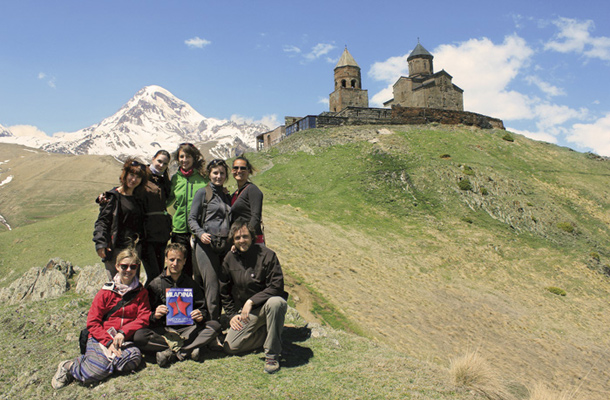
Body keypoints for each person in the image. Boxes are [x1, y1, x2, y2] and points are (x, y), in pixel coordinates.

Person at [51, 248, 151, 389]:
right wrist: (108, 342)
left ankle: (103, 364)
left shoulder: (141, 293)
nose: (128, 270)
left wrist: (123, 333)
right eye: (124, 266)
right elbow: (92, 322)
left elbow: (143, 317)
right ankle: (69, 366)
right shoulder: (105, 293)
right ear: (117, 266)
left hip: (124, 339)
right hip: (101, 337)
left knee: (133, 358)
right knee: (92, 374)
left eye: (133, 267)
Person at [133, 243, 222, 367]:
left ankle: (173, 353)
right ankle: (190, 349)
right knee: (139, 337)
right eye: (171, 260)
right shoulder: (155, 284)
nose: (175, 263)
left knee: (215, 326)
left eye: (179, 260)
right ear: (165, 260)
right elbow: (146, 314)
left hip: (187, 329)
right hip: (165, 331)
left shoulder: (191, 284)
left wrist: (200, 314)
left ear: (185, 261)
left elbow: (202, 308)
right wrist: (155, 315)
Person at [219, 218, 288, 374]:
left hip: (266, 308)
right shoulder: (230, 259)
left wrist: (252, 300)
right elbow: (224, 290)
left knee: (276, 303)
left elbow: (277, 286)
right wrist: (231, 315)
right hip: (246, 314)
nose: (241, 241)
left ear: (252, 237)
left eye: (245, 236)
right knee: (231, 346)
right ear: (233, 240)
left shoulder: (268, 255)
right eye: (237, 238)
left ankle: (272, 354)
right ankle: (269, 334)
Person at [188, 159, 231, 321]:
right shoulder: (202, 192)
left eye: (222, 173)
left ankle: (216, 320)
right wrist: (200, 234)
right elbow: (192, 219)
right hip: (206, 245)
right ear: (209, 174)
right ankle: (212, 327)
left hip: (224, 245)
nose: (218, 176)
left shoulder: (226, 195)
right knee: (211, 285)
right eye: (215, 173)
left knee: (222, 284)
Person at [93, 158, 148, 279]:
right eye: (131, 175)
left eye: (138, 177)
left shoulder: (138, 198)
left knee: (132, 287)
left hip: (134, 250)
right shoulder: (113, 197)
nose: (133, 179)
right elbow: (102, 221)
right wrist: (100, 243)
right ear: (125, 174)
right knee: (116, 287)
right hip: (116, 250)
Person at [166, 143, 207, 277]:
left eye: (188, 156)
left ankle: (199, 296)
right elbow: (167, 199)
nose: (184, 160)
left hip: (199, 230)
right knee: (181, 267)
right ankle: (183, 297)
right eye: (181, 157)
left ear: (194, 158)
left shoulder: (203, 178)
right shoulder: (176, 179)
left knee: (200, 267)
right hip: (179, 230)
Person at [141, 150, 172, 281]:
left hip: (162, 233)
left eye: (165, 163)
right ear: (153, 159)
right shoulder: (142, 176)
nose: (161, 165)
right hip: (146, 234)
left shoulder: (163, 180)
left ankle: (156, 301)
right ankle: (147, 300)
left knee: (160, 273)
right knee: (153, 274)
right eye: (159, 161)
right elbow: (126, 186)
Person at [230, 156, 265, 244]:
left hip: (251, 240)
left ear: (248, 171)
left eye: (243, 168)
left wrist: (245, 237)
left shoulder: (252, 190)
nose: (239, 171)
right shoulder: (234, 194)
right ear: (232, 170)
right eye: (236, 168)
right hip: (240, 240)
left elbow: (255, 218)